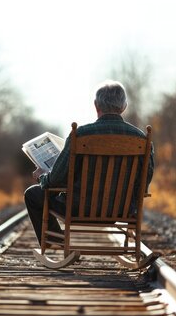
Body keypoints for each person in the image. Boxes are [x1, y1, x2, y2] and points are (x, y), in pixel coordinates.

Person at [24, 80, 154, 246]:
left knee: (32, 194)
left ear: (96, 105)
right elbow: (144, 183)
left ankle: (56, 240)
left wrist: (43, 177)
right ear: (124, 106)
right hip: (122, 210)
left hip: (79, 210)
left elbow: (56, 180)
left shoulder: (80, 135)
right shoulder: (142, 139)